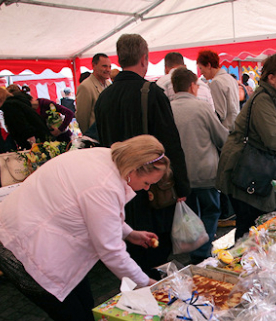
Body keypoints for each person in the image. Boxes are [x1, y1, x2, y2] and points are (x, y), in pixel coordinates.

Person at [0, 136, 167, 321]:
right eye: (147, 183)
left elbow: (99, 215)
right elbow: (111, 250)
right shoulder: (104, 184)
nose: (146, 189)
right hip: (23, 247)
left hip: (34, 236)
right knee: (74, 320)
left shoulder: (105, 157)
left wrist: (129, 233)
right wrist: (146, 283)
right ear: (132, 169)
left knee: (83, 309)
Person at [94, 34, 190, 277]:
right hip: (151, 190)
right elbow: (171, 143)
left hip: (117, 187)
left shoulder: (104, 97)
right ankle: (154, 290)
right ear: (144, 59)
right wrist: (182, 186)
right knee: (155, 246)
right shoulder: (151, 92)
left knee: (131, 246)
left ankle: (136, 292)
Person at [216, 53, 276, 239]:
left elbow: (275, 128)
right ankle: (246, 264)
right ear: (271, 78)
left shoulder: (273, 98)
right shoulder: (264, 99)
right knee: (249, 230)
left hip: (255, 172)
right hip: (249, 173)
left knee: (253, 229)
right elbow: (273, 138)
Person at [170, 68, 229, 263]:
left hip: (179, 176)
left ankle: (192, 247)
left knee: (190, 214)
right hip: (205, 173)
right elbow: (221, 137)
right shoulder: (202, 107)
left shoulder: (167, 108)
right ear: (192, 86)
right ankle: (202, 253)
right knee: (211, 211)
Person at [196, 49, 240, 130]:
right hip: (235, 126)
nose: (201, 72)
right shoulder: (230, 78)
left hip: (226, 130)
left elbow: (220, 114)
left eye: (201, 68)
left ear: (208, 65)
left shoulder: (216, 82)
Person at [76, 53, 111, 133]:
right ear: (94, 66)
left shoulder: (108, 84)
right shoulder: (85, 86)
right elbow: (82, 117)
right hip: (95, 135)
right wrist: (88, 135)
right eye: (104, 66)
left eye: (109, 67)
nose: (108, 70)